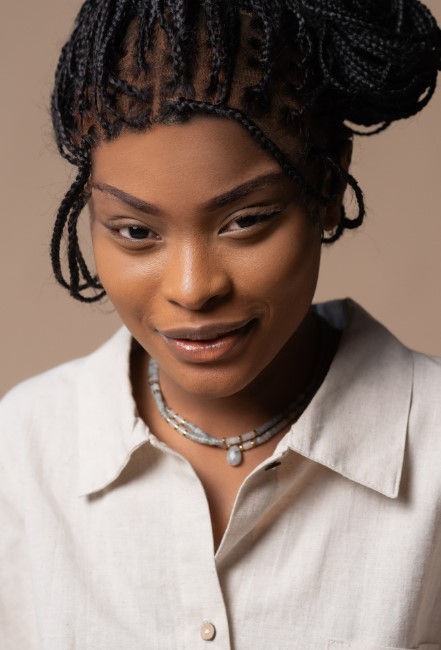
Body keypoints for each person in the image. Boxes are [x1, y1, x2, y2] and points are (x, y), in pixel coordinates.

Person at [1, 1, 441, 648]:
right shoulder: (21, 452)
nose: (192, 288)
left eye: (245, 220)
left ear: (326, 185)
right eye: (134, 232)